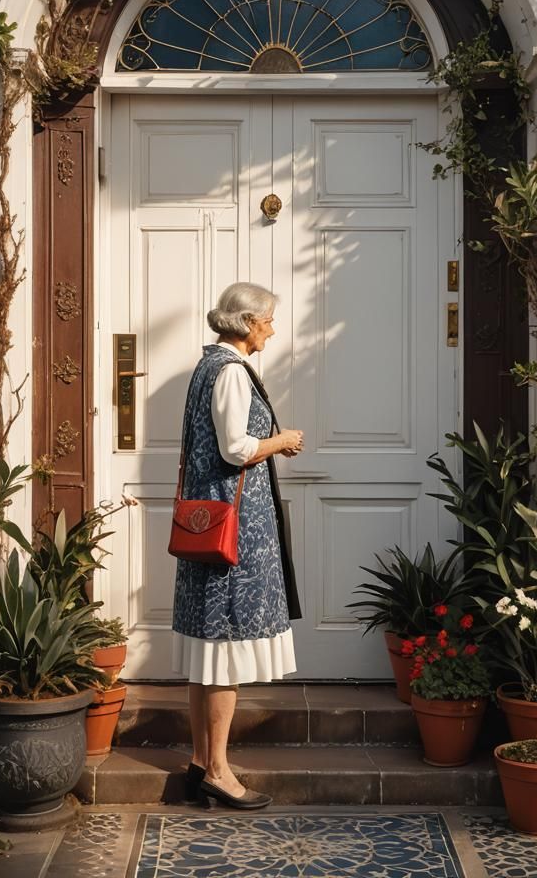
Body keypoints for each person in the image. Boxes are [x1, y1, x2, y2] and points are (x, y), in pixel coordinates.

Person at [171, 282, 303, 810]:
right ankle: (220, 773)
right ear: (248, 324)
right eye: (268, 320)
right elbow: (236, 448)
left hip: (211, 523)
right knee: (223, 653)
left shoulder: (209, 367)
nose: (272, 328)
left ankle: (202, 762)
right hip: (233, 534)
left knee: (209, 653)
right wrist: (283, 439)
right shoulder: (230, 372)